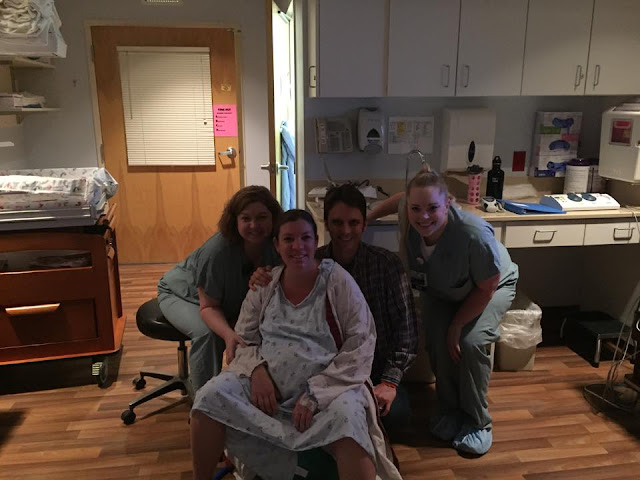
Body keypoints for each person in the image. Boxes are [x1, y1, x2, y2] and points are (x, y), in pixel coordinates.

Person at [190, 209, 402, 480]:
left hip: (329, 387)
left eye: (305, 238)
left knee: (349, 421)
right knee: (209, 397)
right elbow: (245, 337)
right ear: (276, 245)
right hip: (268, 390)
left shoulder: (336, 281)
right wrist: (256, 371)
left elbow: (360, 343)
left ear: (316, 241)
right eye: (288, 239)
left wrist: (316, 394)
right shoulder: (265, 285)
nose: (297, 246)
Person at [368, 165, 518, 455]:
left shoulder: (472, 233)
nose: (423, 216)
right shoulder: (410, 214)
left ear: (448, 203)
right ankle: (449, 409)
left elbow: (487, 285)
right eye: (416, 208)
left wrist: (457, 324)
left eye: (432, 208)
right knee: (437, 339)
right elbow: (400, 198)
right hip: (443, 287)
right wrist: (368, 217)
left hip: (489, 287)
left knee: (469, 343)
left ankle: (477, 421)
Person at [252, 184, 419, 431]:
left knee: (396, 416)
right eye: (337, 223)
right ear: (327, 225)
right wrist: (260, 276)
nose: (346, 231)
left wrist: (389, 382)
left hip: (375, 369)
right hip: (324, 370)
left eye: (353, 223)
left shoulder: (387, 266)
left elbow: (407, 333)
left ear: (364, 224)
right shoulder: (309, 261)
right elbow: (280, 277)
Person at [157, 185, 283, 391]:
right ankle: (203, 400)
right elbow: (208, 307)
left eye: (262, 217)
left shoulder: (276, 244)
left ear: (273, 218)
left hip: (223, 300)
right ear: (235, 221)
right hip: (182, 294)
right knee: (208, 335)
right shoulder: (217, 252)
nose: (254, 225)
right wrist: (228, 334)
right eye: (246, 218)